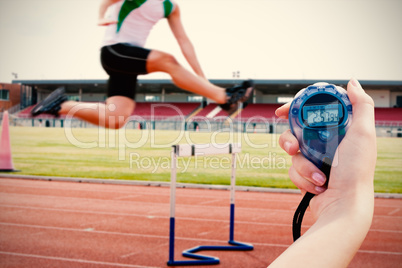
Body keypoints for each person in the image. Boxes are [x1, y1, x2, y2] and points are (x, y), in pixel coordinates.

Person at [31, 0, 254, 128]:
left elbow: (184, 41)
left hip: (128, 62)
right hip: (114, 51)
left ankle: (60, 105)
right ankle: (225, 97)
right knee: (168, 60)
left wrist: (203, 82)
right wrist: (101, 15)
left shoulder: (170, 6)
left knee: (115, 119)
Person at [270, 78, 377, 267]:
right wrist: (343, 207)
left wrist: (343, 205)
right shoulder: (335, 107)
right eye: (315, 117)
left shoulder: (302, 110)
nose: (323, 126)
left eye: (326, 116)